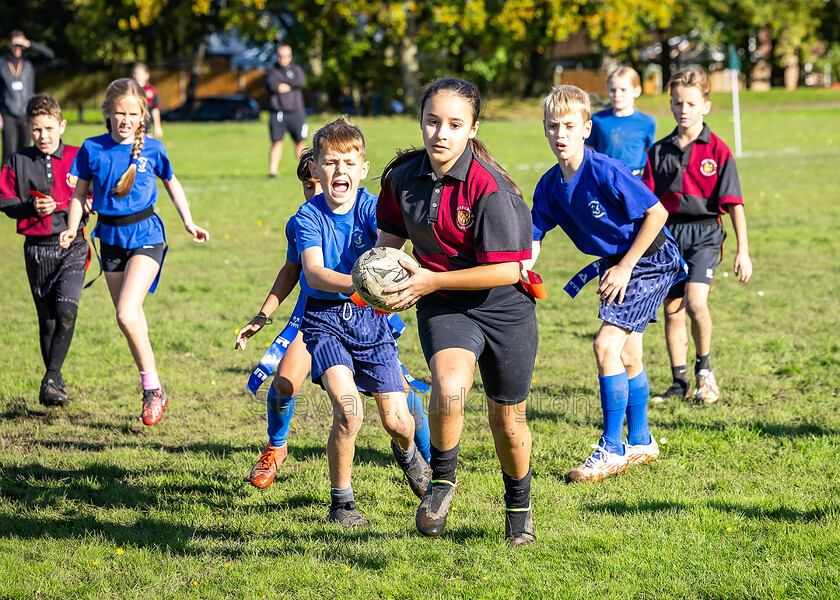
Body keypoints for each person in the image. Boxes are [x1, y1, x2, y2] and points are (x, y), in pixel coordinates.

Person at [377, 78, 538, 546]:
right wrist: (377, 280)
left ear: (473, 129)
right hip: (445, 305)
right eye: (432, 121)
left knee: (507, 423)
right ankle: (442, 479)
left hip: (505, 308)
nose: (440, 134)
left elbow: (507, 271)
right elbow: (388, 244)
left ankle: (519, 509)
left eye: (453, 124)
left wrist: (429, 279)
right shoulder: (402, 177)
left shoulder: (492, 189)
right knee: (448, 387)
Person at [234, 148, 431, 489]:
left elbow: (392, 239)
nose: (315, 193)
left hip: (367, 315)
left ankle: (426, 458)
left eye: (317, 185)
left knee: (400, 393)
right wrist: (263, 314)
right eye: (308, 187)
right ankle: (276, 448)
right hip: (316, 316)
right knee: (283, 383)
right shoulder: (304, 221)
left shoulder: (364, 208)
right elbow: (294, 271)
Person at [524, 84, 683, 484]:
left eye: (568, 126)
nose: (559, 134)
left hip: (649, 258)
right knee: (628, 355)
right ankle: (643, 441)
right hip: (622, 263)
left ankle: (612, 449)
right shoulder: (547, 185)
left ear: (586, 129)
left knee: (604, 346)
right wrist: (522, 268)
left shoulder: (605, 170)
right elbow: (534, 238)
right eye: (552, 126)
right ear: (544, 130)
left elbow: (657, 214)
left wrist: (626, 266)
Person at [292, 117, 430, 528]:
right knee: (349, 410)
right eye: (331, 163)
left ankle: (407, 454)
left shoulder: (373, 207)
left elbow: (396, 249)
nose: (341, 171)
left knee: (397, 421)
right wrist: (360, 284)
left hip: (372, 324)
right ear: (315, 169)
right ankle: (342, 503)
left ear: (363, 169)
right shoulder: (308, 217)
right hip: (326, 320)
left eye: (350, 162)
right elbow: (314, 274)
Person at [58, 78, 209, 425]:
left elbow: (171, 182)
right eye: (119, 113)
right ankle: (154, 388)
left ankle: (152, 389)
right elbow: (79, 195)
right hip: (109, 239)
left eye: (133, 113)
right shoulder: (91, 148)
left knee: (126, 313)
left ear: (143, 115)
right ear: (108, 114)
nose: (125, 119)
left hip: (147, 237)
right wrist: (71, 226)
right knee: (132, 318)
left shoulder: (153, 148)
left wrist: (188, 221)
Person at [643, 66, 752, 404]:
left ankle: (705, 371)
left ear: (706, 105)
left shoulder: (718, 151)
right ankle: (679, 382)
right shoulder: (658, 152)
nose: (683, 110)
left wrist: (742, 251)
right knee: (672, 308)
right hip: (669, 235)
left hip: (705, 234)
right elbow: (646, 204)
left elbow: (735, 205)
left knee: (695, 302)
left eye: (691, 103)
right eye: (677, 103)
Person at [0, 94, 88, 407]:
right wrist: (29, 206)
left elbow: (99, 192)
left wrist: (91, 204)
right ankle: (55, 380)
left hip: (73, 244)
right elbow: (5, 202)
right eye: (37, 130)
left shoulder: (80, 156)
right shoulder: (17, 160)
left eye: (49, 128)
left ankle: (51, 377)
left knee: (67, 311)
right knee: (48, 319)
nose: (44, 136)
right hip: (36, 249)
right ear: (27, 128)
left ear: (62, 126)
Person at [588, 66, 656, 177]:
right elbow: (589, 155)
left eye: (623, 90)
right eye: (613, 90)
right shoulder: (597, 120)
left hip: (635, 181)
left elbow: (652, 158)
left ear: (637, 91)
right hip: (604, 181)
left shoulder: (647, 122)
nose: (617, 94)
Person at [1, 31, 55, 165]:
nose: (17, 48)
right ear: (9, 44)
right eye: (15, 44)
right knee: (9, 152)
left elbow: (50, 54)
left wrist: (29, 43)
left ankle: (22, 182)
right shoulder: (2, 63)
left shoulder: (29, 62)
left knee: (25, 151)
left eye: (20, 45)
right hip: (8, 114)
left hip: (27, 114)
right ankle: (5, 184)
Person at [265, 44, 307, 178]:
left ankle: (305, 171)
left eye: (286, 56)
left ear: (291, 56)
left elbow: (299, 81)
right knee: (277, 142)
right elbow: (272, 84)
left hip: (296, 112)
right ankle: (272, 172)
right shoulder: (271, 71)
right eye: (280, 56)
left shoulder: (297, 69)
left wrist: (284, 84)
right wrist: (282, 85)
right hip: (278, 113)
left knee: (299, 142)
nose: (283, 59)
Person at [132, 63, 164, 139]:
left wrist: (157, 127)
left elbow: (155, 109)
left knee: (147, 145)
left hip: (146, 125)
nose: (138, 76)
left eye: (140, 74)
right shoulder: (130, 90)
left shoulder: (151, 91)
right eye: (135, 73)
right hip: (132, 124)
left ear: (147, 75)